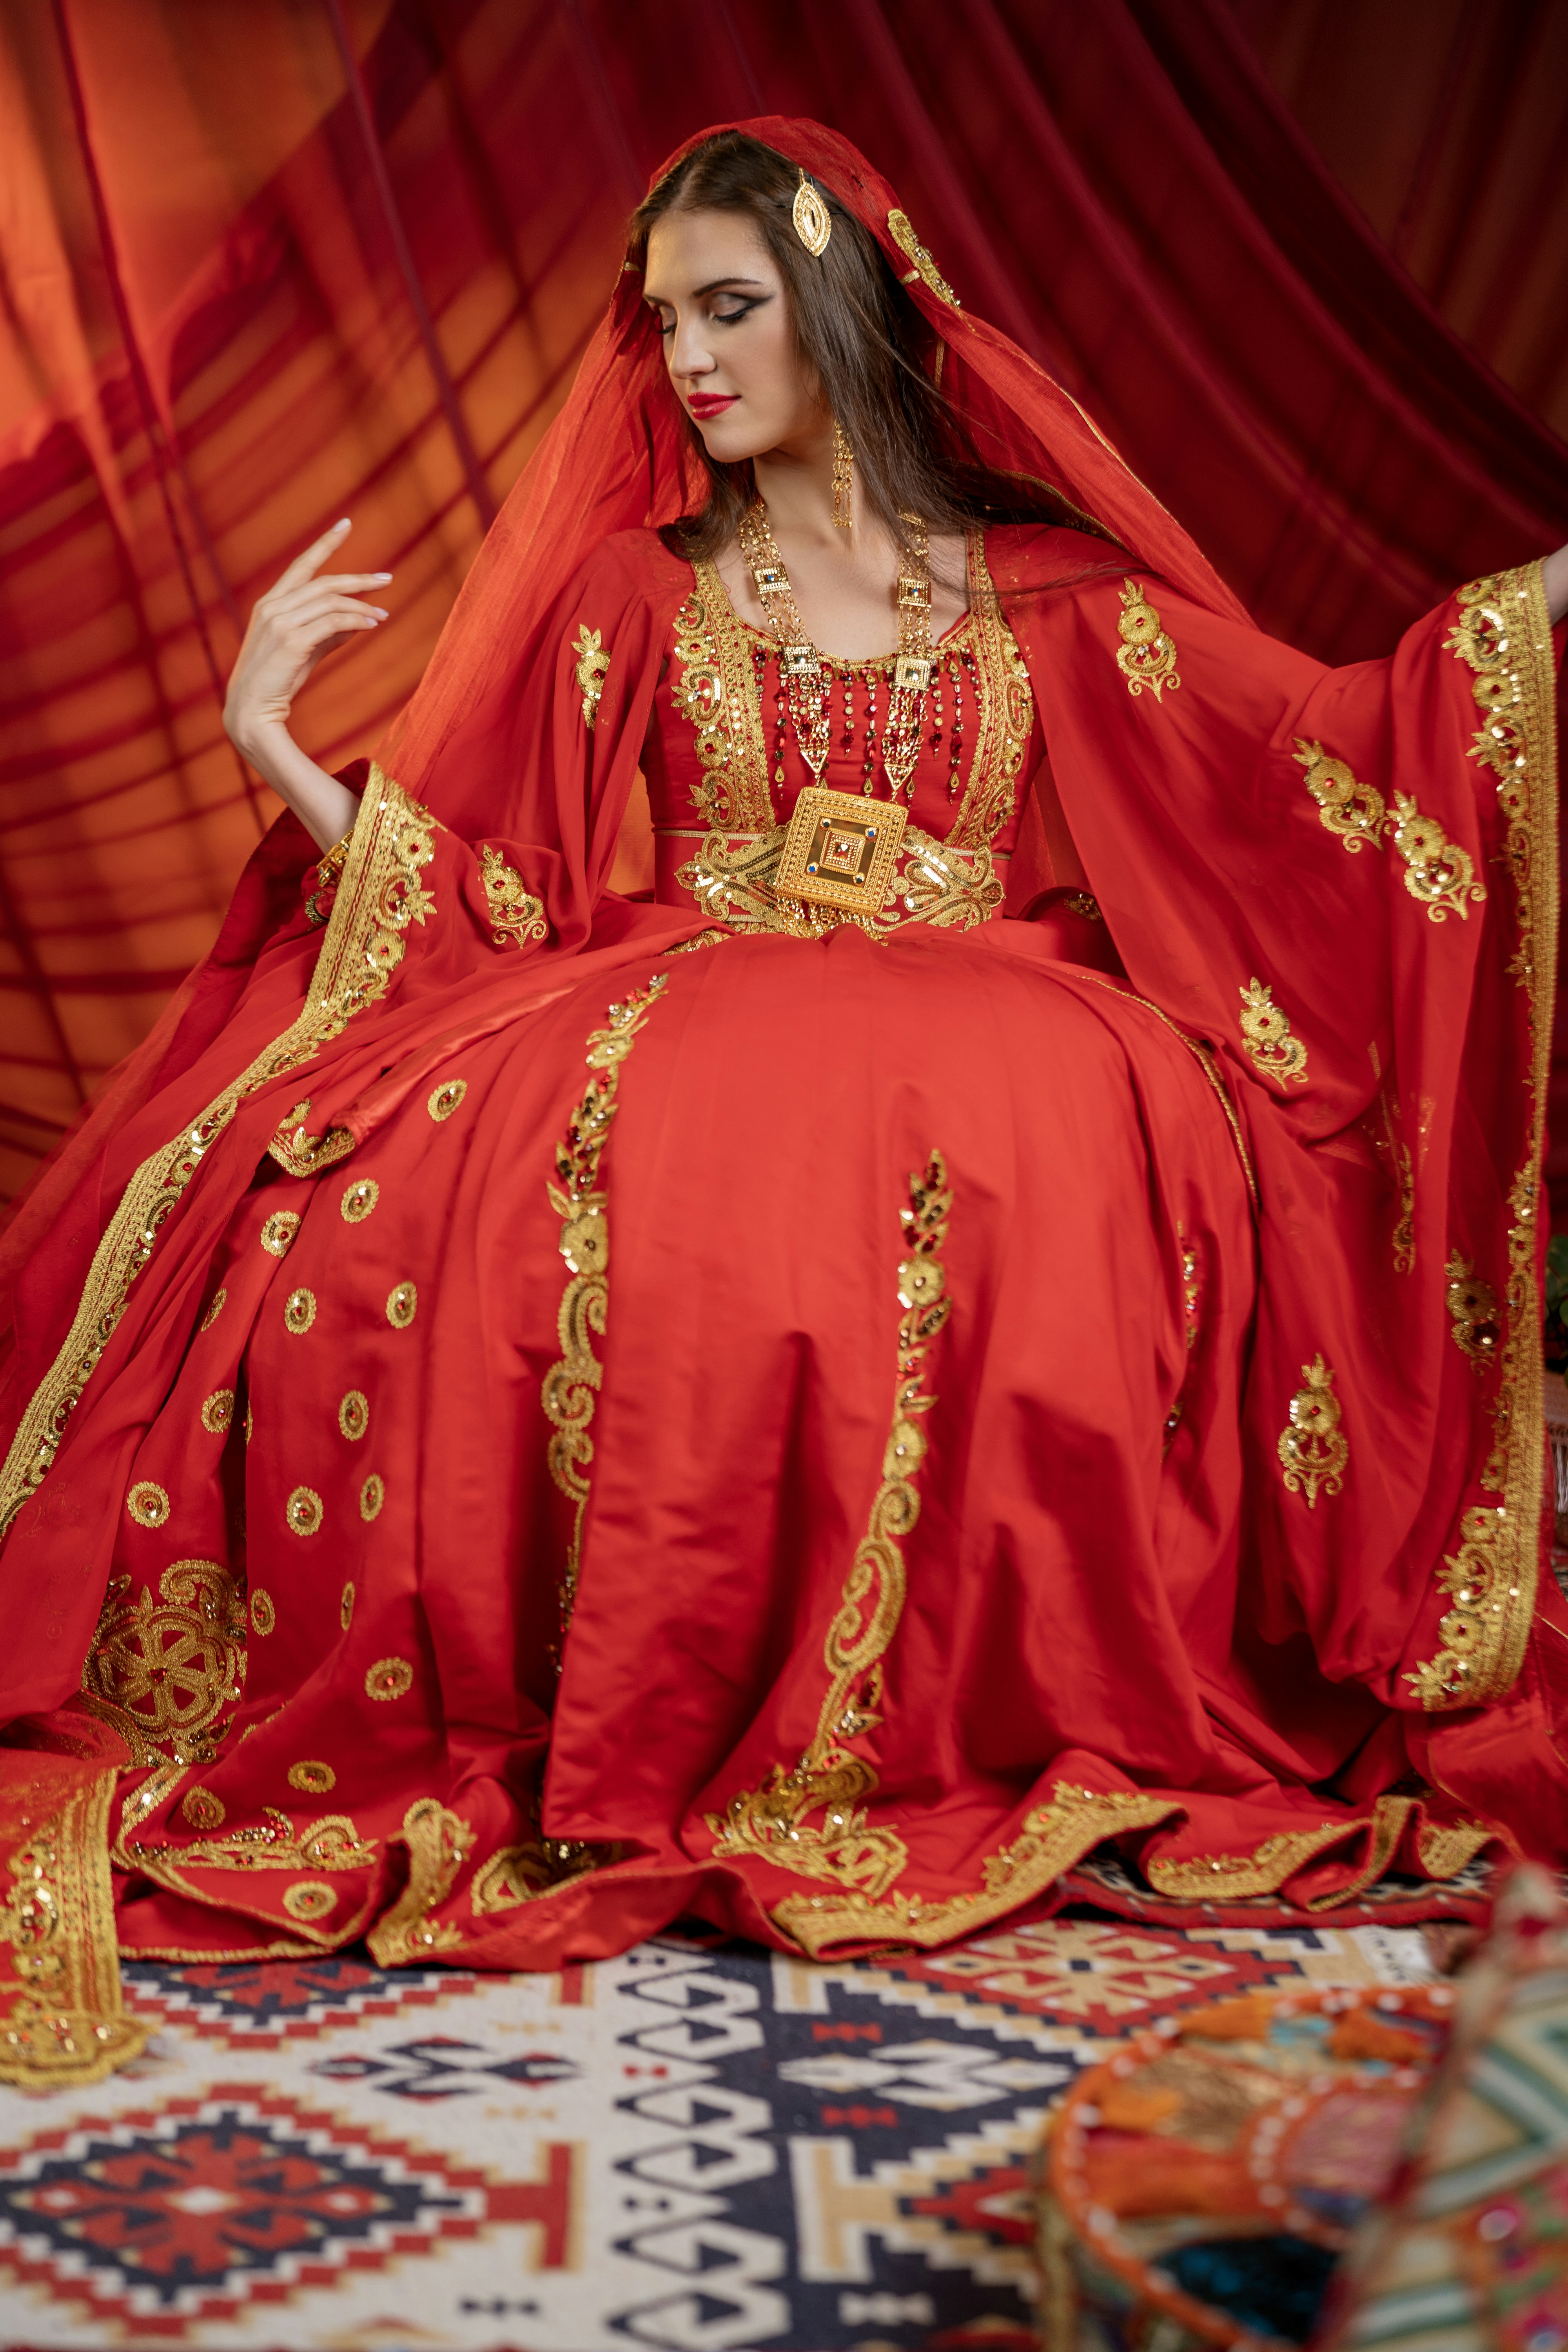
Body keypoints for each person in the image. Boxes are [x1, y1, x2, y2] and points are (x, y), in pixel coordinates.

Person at [0, 119, 1564, 2090]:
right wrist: (266, 746)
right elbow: (492, 900)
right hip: (672, 992)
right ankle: (639, 1697)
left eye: (728, 309)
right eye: (661, 325)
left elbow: (1322, 760)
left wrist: (1523, 625)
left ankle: (964, 1707)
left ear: (845, 305)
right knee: (468, 1186)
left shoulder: (1057, 592)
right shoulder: (630, 599)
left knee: (1045, 1139)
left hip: (1010, 1031)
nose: (686, 363)